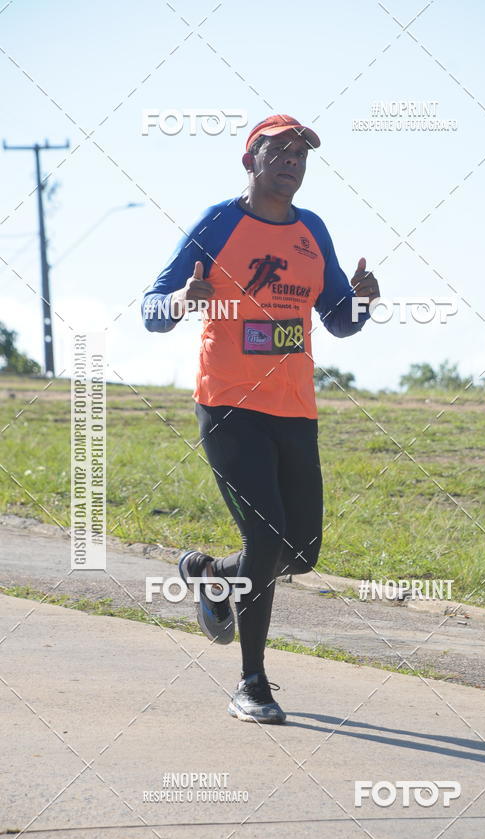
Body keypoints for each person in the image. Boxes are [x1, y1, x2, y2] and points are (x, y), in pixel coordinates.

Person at [142, 113, 379, 724]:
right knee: (266, 536)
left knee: (301, 552)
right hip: (228, 405)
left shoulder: (312, 230)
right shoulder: (220, 222)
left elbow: (338, 321)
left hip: (294, 409)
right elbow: (152, 307)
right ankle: (252, 683)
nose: (292, 163)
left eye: (301, 155)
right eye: (279, 152)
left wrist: (362, 302)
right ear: (250, 161)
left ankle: (209, 574)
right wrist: (177, 301)